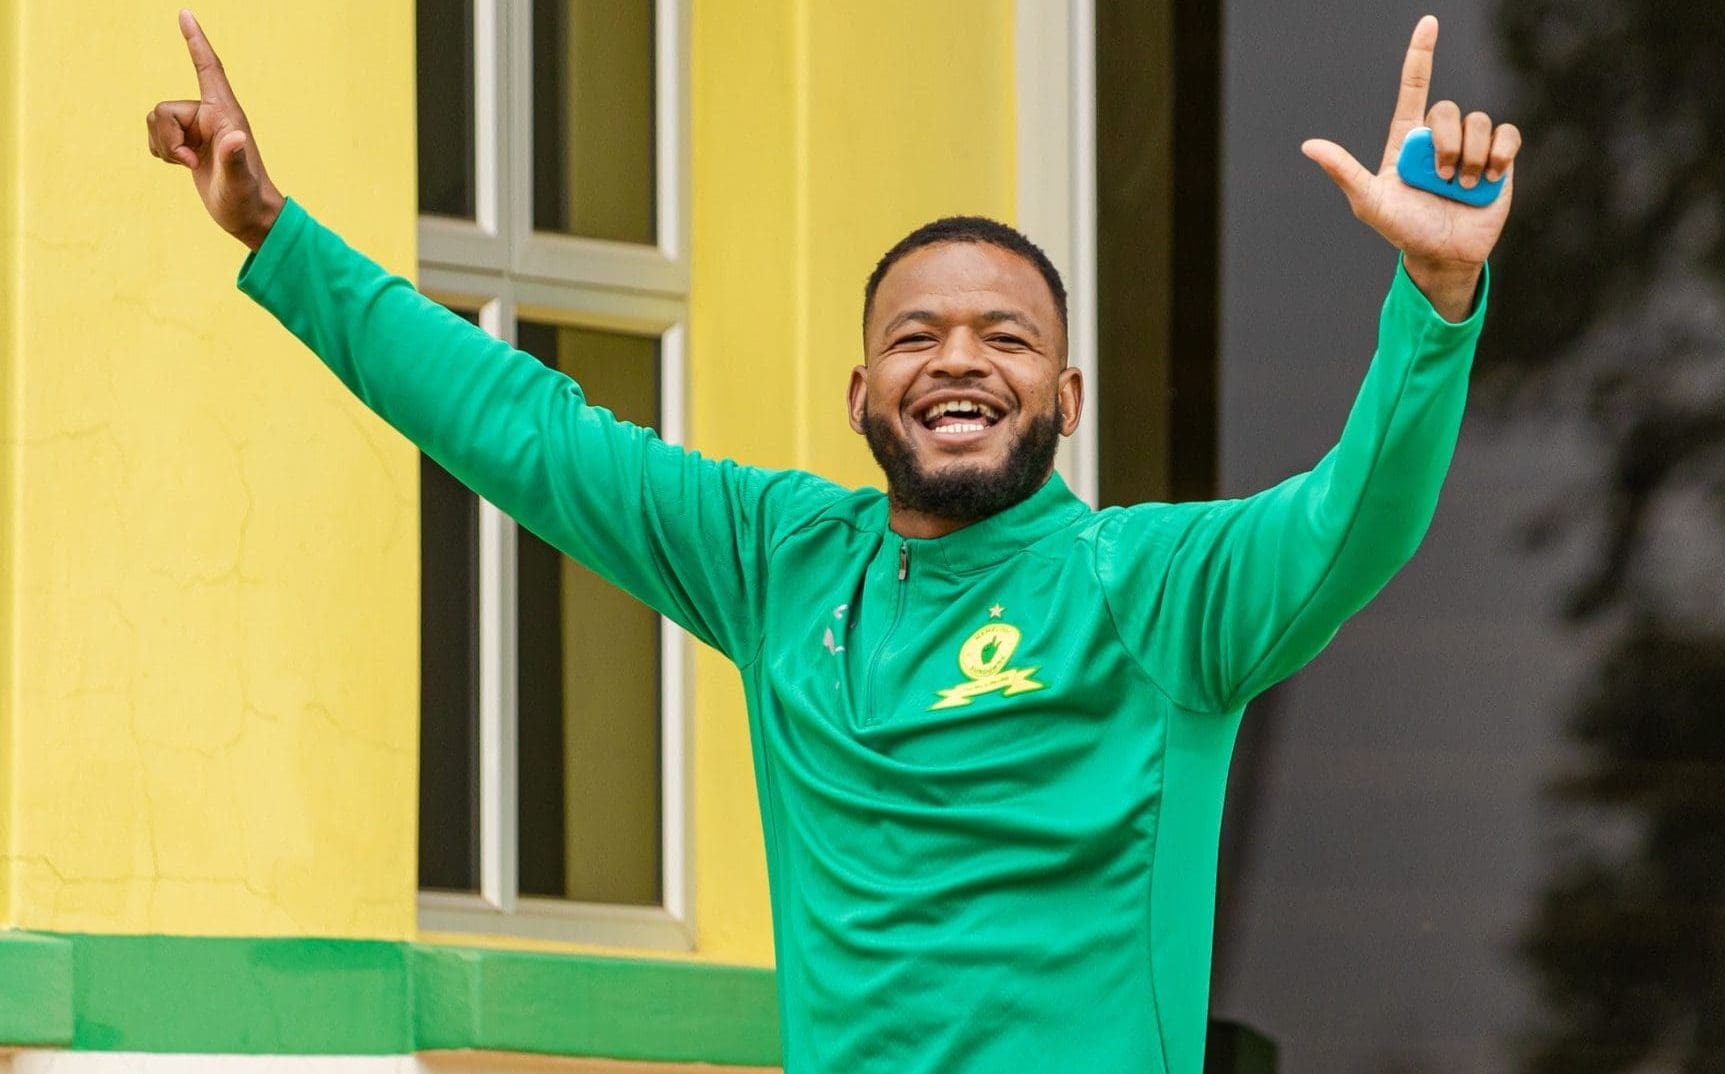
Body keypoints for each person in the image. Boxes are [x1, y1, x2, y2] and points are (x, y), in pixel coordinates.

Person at [147, 10, 1519, 1073]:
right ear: (861, 396)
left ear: (1069, 397)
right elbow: (528, 432)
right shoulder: (780, 558)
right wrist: (276, 231)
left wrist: (1435, 294)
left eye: (1007, 337)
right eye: (916, 337)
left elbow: (1357, 516)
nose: (960, 361)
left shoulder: (1151, 592)